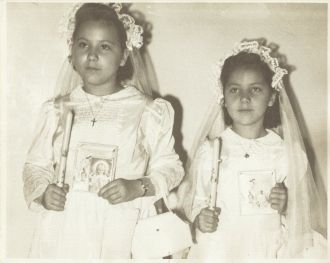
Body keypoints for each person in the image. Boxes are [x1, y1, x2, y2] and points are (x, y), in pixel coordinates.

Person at [23, 3, 184, 258]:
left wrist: (137, 187)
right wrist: (44, 193)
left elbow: (171, 168)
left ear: (123, 56)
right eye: (83, 45)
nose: (92, 55)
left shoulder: (147, 111)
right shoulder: (57, 110)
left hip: (122, 227)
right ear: (72, 53)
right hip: (66, 227)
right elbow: (35, 165)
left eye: (105, 46)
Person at [178, 41, 327, 259]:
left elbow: (303, 209)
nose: (244, 98)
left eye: (255, 89)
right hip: (220, 248)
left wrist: (286, 203)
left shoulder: (285, 153)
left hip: (267, 248)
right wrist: (200, 217)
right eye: (234, 89)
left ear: (272, 98)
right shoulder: (211, 150)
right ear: (224, 98)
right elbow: (194, 199)